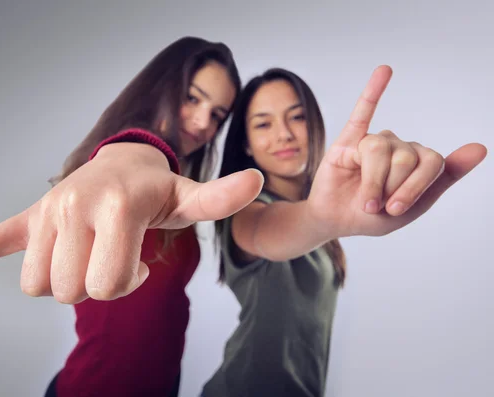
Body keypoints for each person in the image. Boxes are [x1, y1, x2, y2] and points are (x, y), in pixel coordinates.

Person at [0, 36, 264, 397]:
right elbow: (130, 156)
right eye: (193, 97)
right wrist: (130, 153)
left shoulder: (175, 195)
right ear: (161, 88)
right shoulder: (128, 167)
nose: (204, 121)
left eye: (218, 113)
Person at [201, 66, 488, 397]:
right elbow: (268, 230)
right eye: (263, 124)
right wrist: (319, 219)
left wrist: (322, 218)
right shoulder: (247, 212)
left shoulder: (318, 212)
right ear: (246, 144)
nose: (284, 134)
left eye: (297, 117)